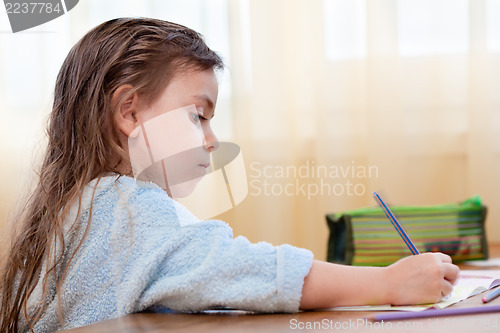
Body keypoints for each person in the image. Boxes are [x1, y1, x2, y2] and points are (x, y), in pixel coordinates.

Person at [0, 18, 459, 332]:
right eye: (199, 115)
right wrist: (387, 284)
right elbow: (240, 267)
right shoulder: (125, 207)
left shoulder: (74, 207)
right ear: (129, 112)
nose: (212, 140)